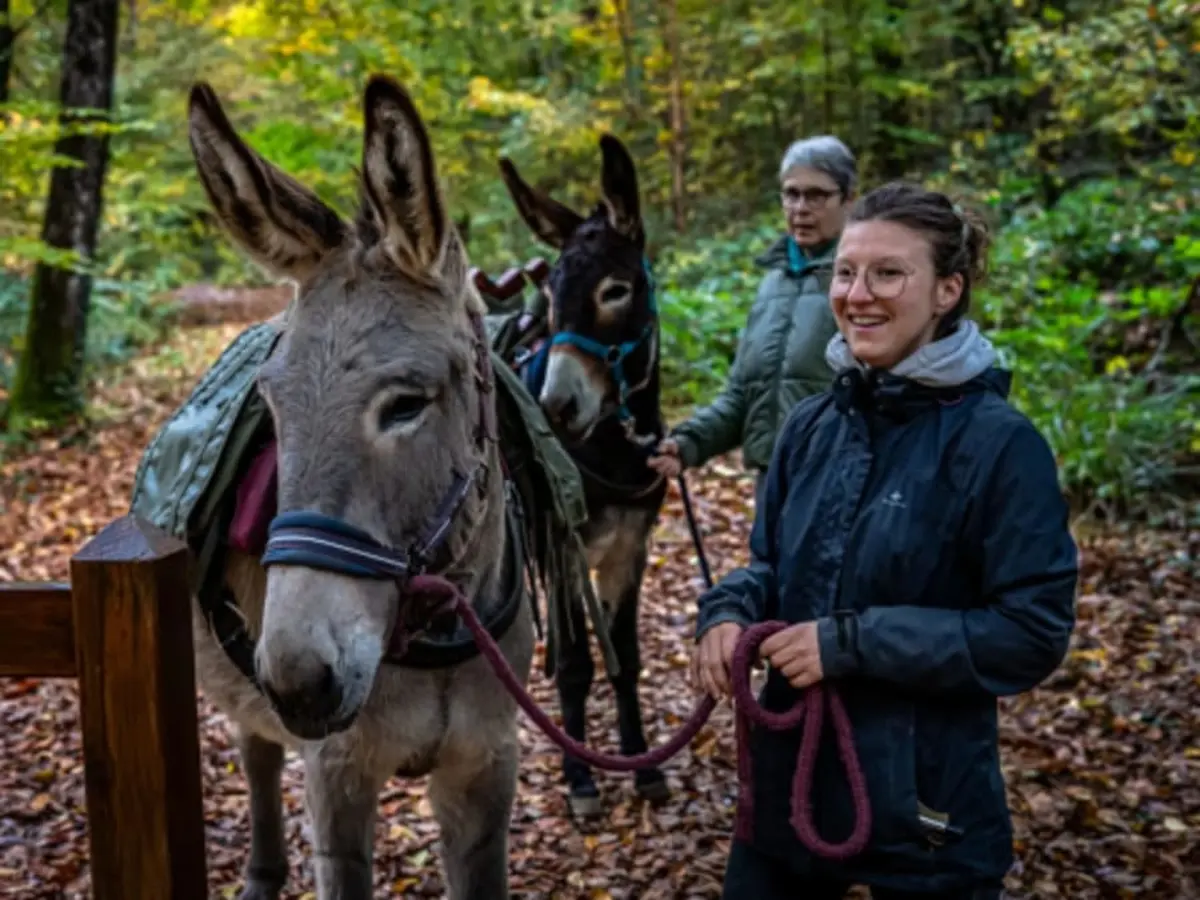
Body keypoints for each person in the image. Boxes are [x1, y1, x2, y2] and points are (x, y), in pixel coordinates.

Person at [691, 181, 1079, 899]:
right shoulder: (812, 426)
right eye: (845, 271)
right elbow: (770, 565)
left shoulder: (1001, 446)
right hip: (789, 800)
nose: (857, 294)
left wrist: (849, 643)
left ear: (946, 291)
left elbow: (1031, 631)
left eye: (888, 273)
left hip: (928, 818)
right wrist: (727, 612)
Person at [647, 136, 857, 503]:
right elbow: (743, 396)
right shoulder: (772, 285)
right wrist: (687, 443)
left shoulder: (863, 281)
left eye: (816, 195)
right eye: (791, 194)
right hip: (773, 482)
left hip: (842, 484)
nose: (800, 208)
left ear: (849, 199)